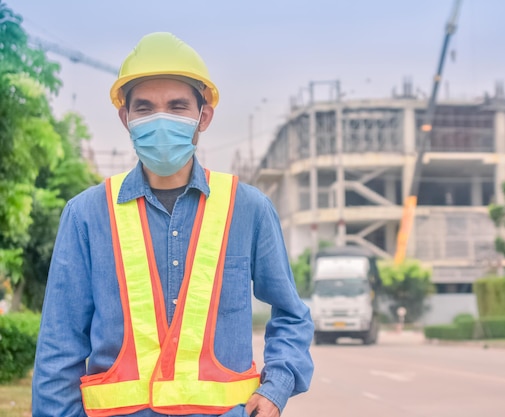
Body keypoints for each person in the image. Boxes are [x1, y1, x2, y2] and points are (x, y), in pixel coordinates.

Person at [32, 32, 314, 417]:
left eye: (177, 106)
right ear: (125, 118)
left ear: (204, 115)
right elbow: (58, 350)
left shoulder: (248, 209)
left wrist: (276, 387)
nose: (160, 119)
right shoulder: (85, 215)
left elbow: (292, 313)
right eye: (145, 108)